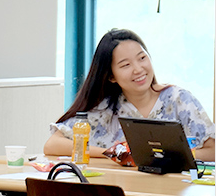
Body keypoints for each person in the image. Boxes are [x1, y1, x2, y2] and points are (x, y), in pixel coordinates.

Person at [44, 28, 215, 161]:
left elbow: (212, 151)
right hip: (125, 190)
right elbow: (52, 145)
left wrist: (170, 157)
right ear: (111, 76)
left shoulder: (179, 99)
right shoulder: (107, 108)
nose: (138, 69)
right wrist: (111, 153)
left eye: (142, 58)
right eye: (126, 65)